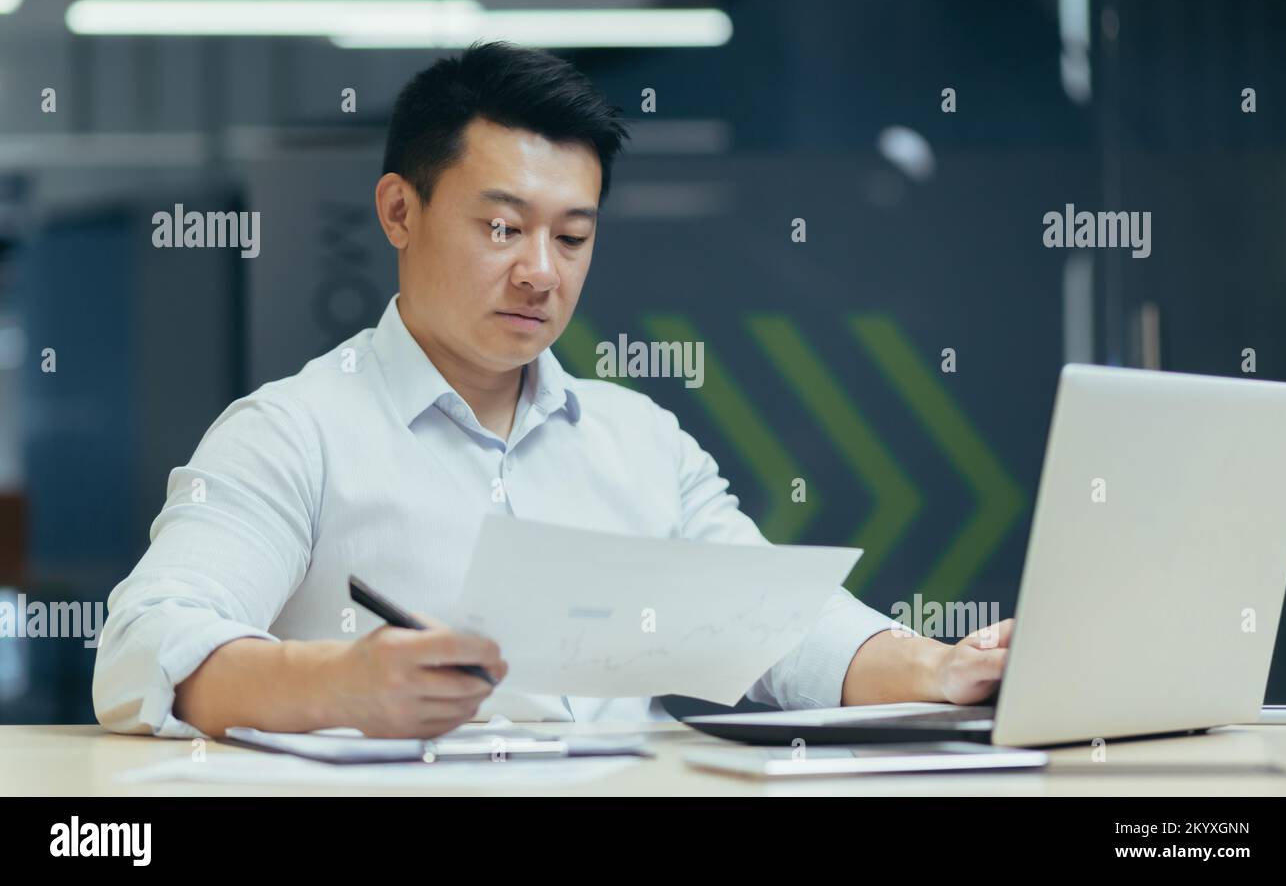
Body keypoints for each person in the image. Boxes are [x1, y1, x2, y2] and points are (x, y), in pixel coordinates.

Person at [93, 41, 1012, 739]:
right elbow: (148, 644)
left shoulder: (640, 441)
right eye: (501, 227)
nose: (540, 272)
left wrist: (937, 667)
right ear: (399, 212)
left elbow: (776, 627)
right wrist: (342, 682)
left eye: (571, 238)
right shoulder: (293, 433)